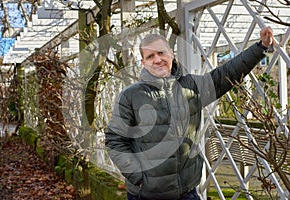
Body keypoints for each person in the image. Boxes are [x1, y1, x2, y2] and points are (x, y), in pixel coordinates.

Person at [105, 27, 274, 200]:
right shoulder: (130, 96)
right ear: (143, 62)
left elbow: (226, 74)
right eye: (150, 56)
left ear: (171, 54)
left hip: (186, 191)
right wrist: (138, 177)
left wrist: (260, 47)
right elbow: (114, 140)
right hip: (145, 194)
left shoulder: (191, 87)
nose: (157, 60)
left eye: (161, 53)